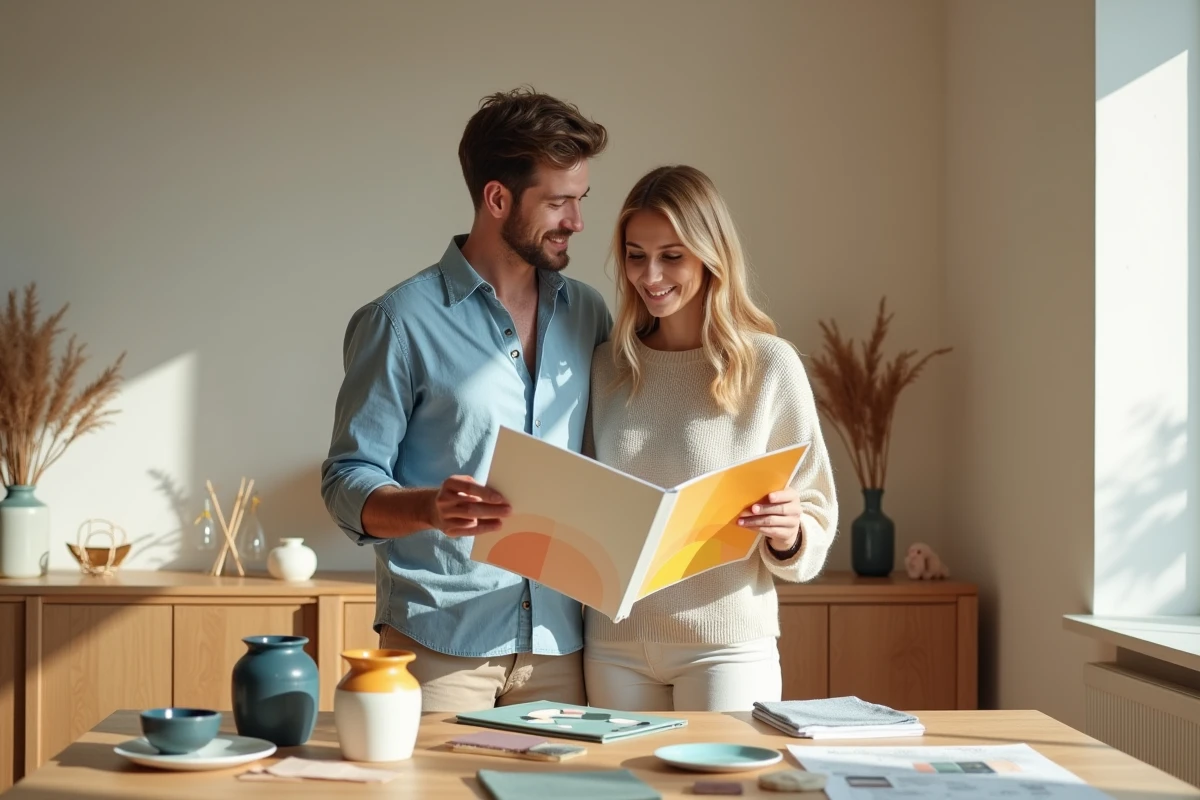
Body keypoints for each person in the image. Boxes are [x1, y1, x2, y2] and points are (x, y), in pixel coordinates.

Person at [320, 88, 610, 712]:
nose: (577, 223)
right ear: (497, 199)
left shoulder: (588, 312)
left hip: (564, 648)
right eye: (558, 203)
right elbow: (346, 480)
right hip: (439, 645)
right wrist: (429, 506)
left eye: (581, 200)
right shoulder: (398, 322)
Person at [583, 165, 838, 712]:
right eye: (635, 255)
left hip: (726, 647)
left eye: (671, 255)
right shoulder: (607, 367)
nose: (650, 275)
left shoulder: (769, 366)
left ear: (710, 254)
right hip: (613, 647)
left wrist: (788, 532)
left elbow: (815, 511)